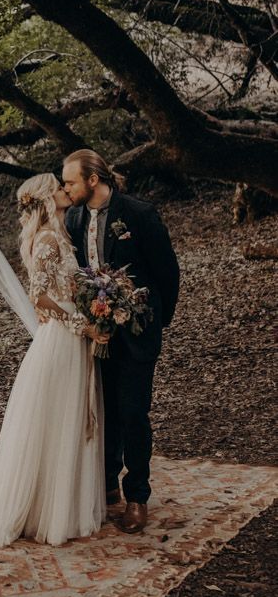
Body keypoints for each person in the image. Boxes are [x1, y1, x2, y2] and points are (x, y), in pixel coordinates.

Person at [0, 173, 105, 548]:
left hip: (70, 339)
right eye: (59, 188)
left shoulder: (59, 235)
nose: (65, 191)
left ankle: (60, 505)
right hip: (61, 341)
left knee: (66, 421)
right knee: (57, 420)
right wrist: (83, 325)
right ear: (47, 198)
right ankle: (44, 511)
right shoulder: (47, 240)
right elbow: (39, 297)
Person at [62, 149, 180, 533]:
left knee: (132, 412)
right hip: (97, 333)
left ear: (93, 180)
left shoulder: (139, 214)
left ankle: (137, 496)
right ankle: (108, 484)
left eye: (71, 182)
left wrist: (154, 321)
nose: (67, 189)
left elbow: (167, 272)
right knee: (104, 410)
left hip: (137, 332)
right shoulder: (75, 217)